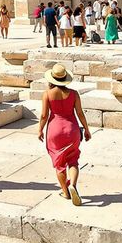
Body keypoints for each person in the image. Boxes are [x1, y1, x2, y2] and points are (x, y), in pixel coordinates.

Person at [37, 63, 92, 206]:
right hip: (71, 129)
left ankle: (66, 192)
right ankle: (73, 185)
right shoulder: (74, 94)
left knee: (59, 163)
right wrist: (86, 129)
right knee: (72, 160)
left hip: (55, 131)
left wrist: (40, 130)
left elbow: (44, 115)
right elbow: (80, 113)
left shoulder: (47, 94)